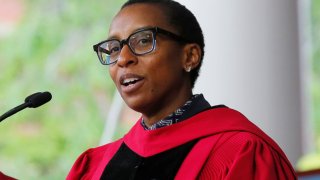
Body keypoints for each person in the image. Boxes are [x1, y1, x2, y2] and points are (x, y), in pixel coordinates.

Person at [67, 0, 297, 179]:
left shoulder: (242, 152)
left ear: (189, 56)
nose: (123, 59)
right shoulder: (96, 165)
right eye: (114, 48)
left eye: (144, 40)